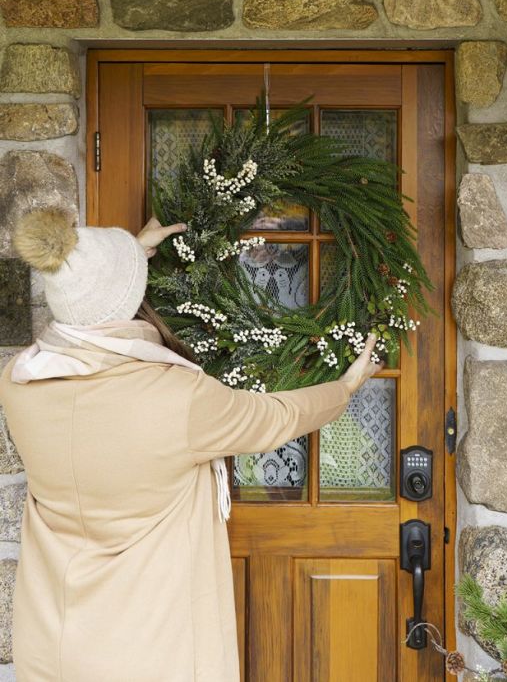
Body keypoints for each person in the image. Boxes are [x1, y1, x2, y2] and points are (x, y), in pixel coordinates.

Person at [0, 207, 382, 682]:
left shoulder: (19, 382)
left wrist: (129, 254)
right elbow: (273, 417)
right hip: (147, 651)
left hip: (53, 642)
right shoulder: (176, 398)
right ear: (123, 299)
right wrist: (343, 389)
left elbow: (89, 312)